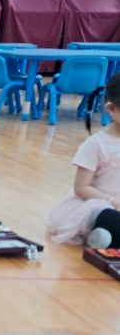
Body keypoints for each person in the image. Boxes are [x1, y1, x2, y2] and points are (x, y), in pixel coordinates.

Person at [47, 73, 120, 248]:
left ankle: (106, 236)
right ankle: (103, 233)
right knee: (109, 217)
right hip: (98, 205)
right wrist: (113, 202)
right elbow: (81, 188)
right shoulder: (95, 144)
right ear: (111, 109)